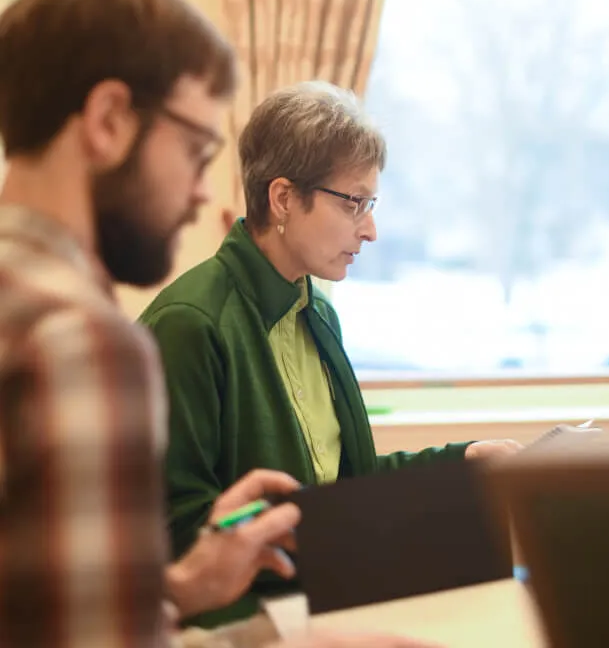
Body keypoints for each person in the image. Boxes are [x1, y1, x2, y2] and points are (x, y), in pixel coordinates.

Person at [0, 0, 436, 648]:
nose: (205, 192)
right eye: (196, 150)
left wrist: (181, 588)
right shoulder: (78, 338)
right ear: (108, 120)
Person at [140, 81, 523, 627]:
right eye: (353, 203)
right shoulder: (191, 324)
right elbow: (177, 536)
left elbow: (339, 487)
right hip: (247, 625)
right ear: (282, 199)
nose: (370, 230)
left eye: (371, 204)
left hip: (324, 604)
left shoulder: (317, 312)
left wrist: (460, 462)